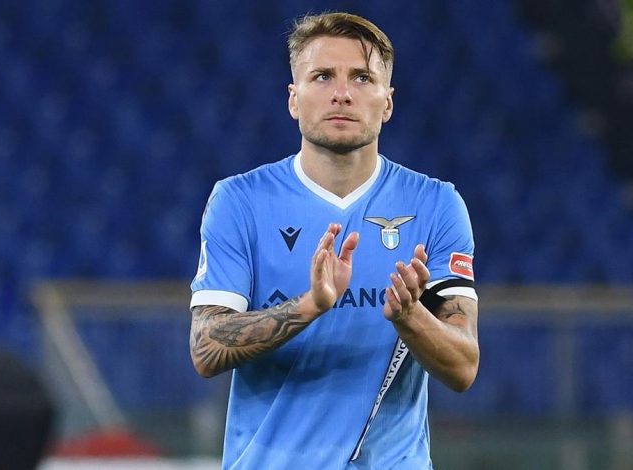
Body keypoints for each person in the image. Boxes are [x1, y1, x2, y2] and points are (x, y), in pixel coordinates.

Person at [189, 12, 480, 469]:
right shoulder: (240, 201)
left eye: (362, 78)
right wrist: (311, 305)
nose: (342, 93)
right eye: (322, 76)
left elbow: (463, 367)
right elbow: (206, 349)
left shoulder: (436, 204)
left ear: (387, 102)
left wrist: (410, 317)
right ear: (294, 99)